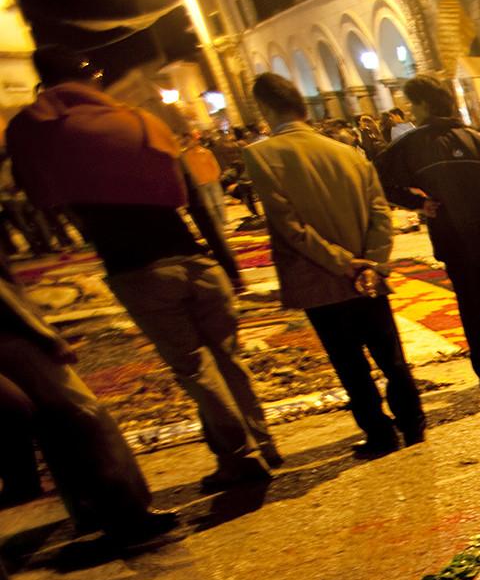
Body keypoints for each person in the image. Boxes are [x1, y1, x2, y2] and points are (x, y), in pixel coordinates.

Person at [7, 47, 278, 488]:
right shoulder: (137, 121)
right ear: (93, 77)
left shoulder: (44, 129)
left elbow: (39, 195)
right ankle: (263, 444)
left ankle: (242, 456)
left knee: (194, 370)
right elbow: (191, 201)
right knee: (228, 361)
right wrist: (228, 265)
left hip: (139, 271)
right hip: (195, 260)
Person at [243, 74, 424, 457]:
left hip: (320, 278)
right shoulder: (346, 153)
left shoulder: (262, 155)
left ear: (265, 108)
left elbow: (289, 226)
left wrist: (344, 263)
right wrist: (372, 263)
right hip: (369, 278)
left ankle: (380, 433)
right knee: (390, 356)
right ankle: (413, 422)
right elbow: (380, 213)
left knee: (350, 363)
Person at [379, 75, 480, 403]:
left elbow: (377, 176)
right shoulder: (475, 140)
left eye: (413, 103)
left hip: (456, 241)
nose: (412, 110)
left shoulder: (413, 145)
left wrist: (417, 203)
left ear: (424, 104)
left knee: (474, 315)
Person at [0, 259, 177, 546]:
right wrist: (45, 337)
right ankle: (128, 513)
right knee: (86, 420)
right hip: (14, 340)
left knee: (56, 428)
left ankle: (89, 510)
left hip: (8, 344)